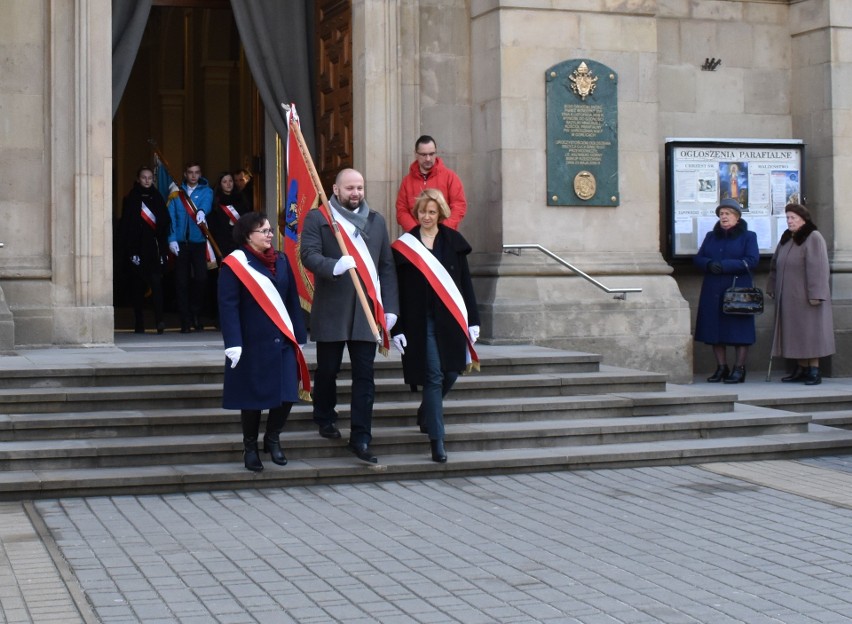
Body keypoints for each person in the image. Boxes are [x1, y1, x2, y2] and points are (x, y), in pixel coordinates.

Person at [300, 168, 399, 464]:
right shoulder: (319, 218)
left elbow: (386, 266)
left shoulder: (377, 221)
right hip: (332, 307)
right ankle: (325, 415)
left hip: (367, 312)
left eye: (360, 187)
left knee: (365, 377)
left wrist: (391, 308)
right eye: (350, 188)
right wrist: (334, 266)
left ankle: (361, 436)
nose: (355, 193)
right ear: (335, 189)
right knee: (328, 369)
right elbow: (308, 254)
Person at [391, 189, 480, 463]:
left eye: (432, 212)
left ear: (440, 213)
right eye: (422, 212)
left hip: (450, 320)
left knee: (451, 372)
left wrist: (474, 320)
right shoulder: (405, 246)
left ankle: (427, 410)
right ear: (416, 214)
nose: (426, 217)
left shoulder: (453, 241)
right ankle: (437, 441)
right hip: (420, 322)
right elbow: (396, 290)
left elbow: (465, 283)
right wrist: (397, 327)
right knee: (433, 376)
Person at [218, 212, 308, 472]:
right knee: (252, 398)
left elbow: (292, 300)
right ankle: (250, 447)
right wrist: (233, 342)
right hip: (252, 342)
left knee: (288, 394)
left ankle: (273, 437)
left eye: (270, 230)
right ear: (248, 235)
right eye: (264, 231)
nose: (270, 234)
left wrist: (299, 336)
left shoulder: (280, 260)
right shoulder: (235, 264)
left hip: (282, 340)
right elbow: (228, 306)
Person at [767, 203, 835, 385]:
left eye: (793, 218)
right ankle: (801, 368)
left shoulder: (813, 237)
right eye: (787, 217)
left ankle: (814, 369)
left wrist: (817, 294)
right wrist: (772, 287)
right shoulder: (787, 239)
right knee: (795, 334)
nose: (789, 221)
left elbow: (819, 268)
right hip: (789, 297)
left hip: (807, 297)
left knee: (810, 333)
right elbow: (775, 266)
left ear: (803, 220)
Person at [693, 198, 759, 384]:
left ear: (737, 217)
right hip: (713, 289)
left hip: (737, 290)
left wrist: (724, 266)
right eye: (721, 214)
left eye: (728, 214)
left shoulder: (748, 236)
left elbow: (751, 260)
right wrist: (708, 264)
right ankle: (722, 367)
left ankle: (739, 368)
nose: (724, 217)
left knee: (740, 332)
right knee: (714, 331)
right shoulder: (711, 236)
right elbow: (698, 258)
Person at [117, 166, 171, 334]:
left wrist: (163, 251)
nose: (147, 180)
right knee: (138, 288)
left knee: (157, 286)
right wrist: (131, 251)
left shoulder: (157, 197)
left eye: (150, 177)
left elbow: (164, 225)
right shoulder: (132, 198)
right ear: (138, 179)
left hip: (153, 249)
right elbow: (127, 226)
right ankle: (139, 323)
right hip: (137, 249)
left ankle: (159, 321)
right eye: (144, 177)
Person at [167, 161, 214, 333]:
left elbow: (207, 203)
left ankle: (195, 313)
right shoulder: (176, 193)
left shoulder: (206, 191)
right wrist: (171, 239)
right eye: (190, 172)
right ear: (185, 174)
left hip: (198, 242)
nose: (193, 175)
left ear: (200, 174)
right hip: (180, 243)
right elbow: (171, 218)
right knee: (181, 282)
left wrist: (201, 210)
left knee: (201, 279)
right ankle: (185, 320)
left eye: (196, 172)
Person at [395, 135, 467, 231]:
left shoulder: (450, 177)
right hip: (416, 239)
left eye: (431, 154)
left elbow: (459, 206)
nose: (428, 158)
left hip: (444, 237)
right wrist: (416, 232)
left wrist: (442, 231)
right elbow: (401, 210)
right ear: (416, 154)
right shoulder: (407, 181)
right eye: (424, 155)